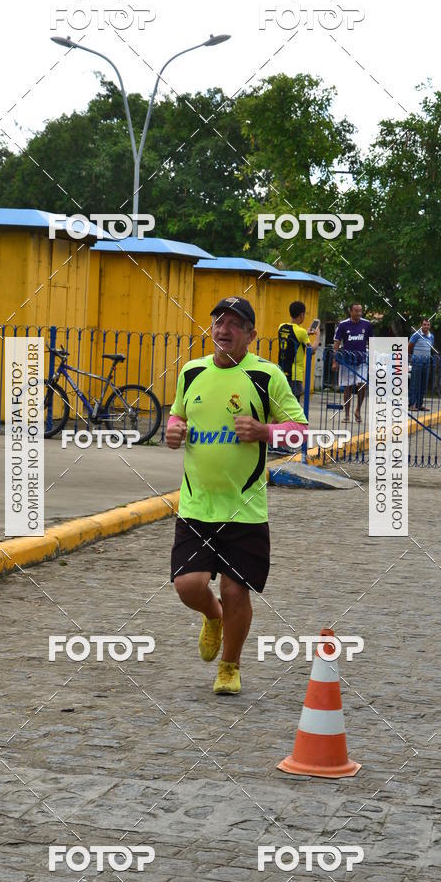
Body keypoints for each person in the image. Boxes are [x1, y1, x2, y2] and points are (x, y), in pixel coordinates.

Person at [166, 297, 308, 696]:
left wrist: (265, 432)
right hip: (196, 504)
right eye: (218, 321)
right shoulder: (192, 372)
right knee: (188, 586)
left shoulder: (267, 376)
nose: (223, 328)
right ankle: (213, 617)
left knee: (234, 589)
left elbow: (299, 431)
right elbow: (177, 414)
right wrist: (174, 430)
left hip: (244, 508)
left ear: (250, 333)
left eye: (234, 323)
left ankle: (229, 666)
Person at [332, 303, 373, 422]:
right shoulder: (343, 325)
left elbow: (371, 341)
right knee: (348, 387)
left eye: (360, 311)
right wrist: (334, 361)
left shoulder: (367, 324)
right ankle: (347, 414)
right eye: (356, 311)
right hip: (347, 361)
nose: (359, 313)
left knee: (362, 385)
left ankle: (358, 410)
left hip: (362, 361)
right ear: (351, 311)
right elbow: (337, 343)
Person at [277, 301, 320, 399]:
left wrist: (306, 334)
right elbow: (312, 350)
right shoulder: (301, 332)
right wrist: (318, 336)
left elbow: (293, 338)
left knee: (283, 401)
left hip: (282, 369)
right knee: (294, 403)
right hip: (295, 373)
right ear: (302, 314)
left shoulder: (281, 327)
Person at [408, 320, 434, 411]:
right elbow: (409, 346)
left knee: (423, 384)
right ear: (421, 325)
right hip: (417, 361)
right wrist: (410, 358)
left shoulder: (431, 337)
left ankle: (419, 404)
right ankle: (412, 404)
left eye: (428, 325)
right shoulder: (416, 335)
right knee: (415, 383)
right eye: (424, 325)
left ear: (430, 326)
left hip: (426, 362)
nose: (426, 326)